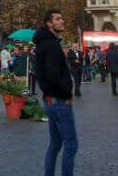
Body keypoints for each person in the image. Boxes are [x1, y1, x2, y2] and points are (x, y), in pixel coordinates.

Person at [35, 9, 77, 176]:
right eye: (58, 19)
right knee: (71, 144)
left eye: (62, 18)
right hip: (59, 100)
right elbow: (53, 75)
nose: (63, 21)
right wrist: (66, 94)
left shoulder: (42, 43)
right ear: (49, 24)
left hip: (49, 99)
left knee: (55, 143)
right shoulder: (51, 45)